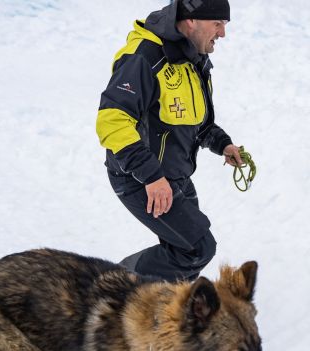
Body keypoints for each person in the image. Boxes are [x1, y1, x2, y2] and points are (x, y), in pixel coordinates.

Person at [96, 0, 246, 282]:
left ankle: (169, 312)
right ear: (191, 21)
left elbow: (194, 121)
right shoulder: (144, 57)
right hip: (139, 176)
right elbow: (112, 120)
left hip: (174, 174)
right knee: (196, 249)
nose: (222, 33)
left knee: (184, 249)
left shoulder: (193, 58)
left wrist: (221, 143)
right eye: (218, 24)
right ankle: (114, 283)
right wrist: (151, 177)